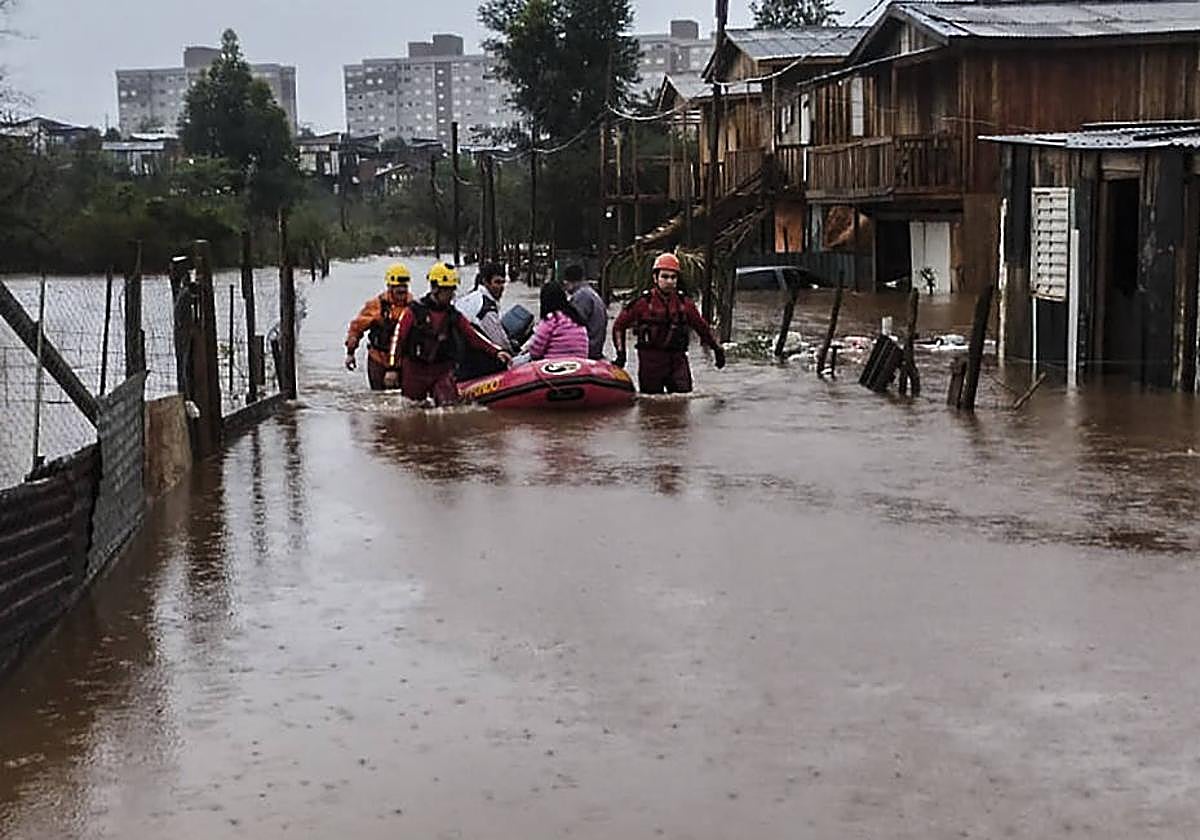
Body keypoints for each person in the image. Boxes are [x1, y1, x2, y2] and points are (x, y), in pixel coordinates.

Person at [392, 262, 512, 405]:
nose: (452, 294)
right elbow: (398, 339)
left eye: (452, 290)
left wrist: (496, 351)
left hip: (441, 369)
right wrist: (391, 369)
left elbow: (473, 335)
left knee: (449, 407)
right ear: (436, 289)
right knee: (413, 410)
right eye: (448, 290)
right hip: (415, 370)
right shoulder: (414, 312)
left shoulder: (453, 315)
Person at [612, 252, 726, 394]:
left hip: (677, 361)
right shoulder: (642, 303)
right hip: (651, 362)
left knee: (683, 400)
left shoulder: (685, 304)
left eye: (673, 277)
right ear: (655, 278)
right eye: (665, 277)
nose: (670, 281)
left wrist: (716, 349)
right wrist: (621, 354)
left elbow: (702, 328)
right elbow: (618, 326)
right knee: (650, 406)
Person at [345, 262, 412, 390]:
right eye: (398, 287)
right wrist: (350, 352)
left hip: (403, 360)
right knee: (379, 397)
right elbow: (357, 328)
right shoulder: (376, 306)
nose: (402, 290)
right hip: (378, 359)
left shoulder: (413, 308)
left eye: (404, 286)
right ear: (389, 286)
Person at [454, 262, 512, 379]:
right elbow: (499, 342)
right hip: (471, 364)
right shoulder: (486, 308)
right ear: (485, 282)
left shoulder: (470, 297)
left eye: (503, 282)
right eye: (497, 282)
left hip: (458, 360)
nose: (501, 287)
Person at [515, 282, 590, 364]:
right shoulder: (577, 320)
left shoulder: (551, 320)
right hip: (580, 365)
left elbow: (535, 352)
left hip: (552, 367)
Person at [563, 264, 607, 360]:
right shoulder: (590, 293)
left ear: (569, 282)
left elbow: (572, 324)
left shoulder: (581, 296)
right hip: (595, 345)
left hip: (588, 348)